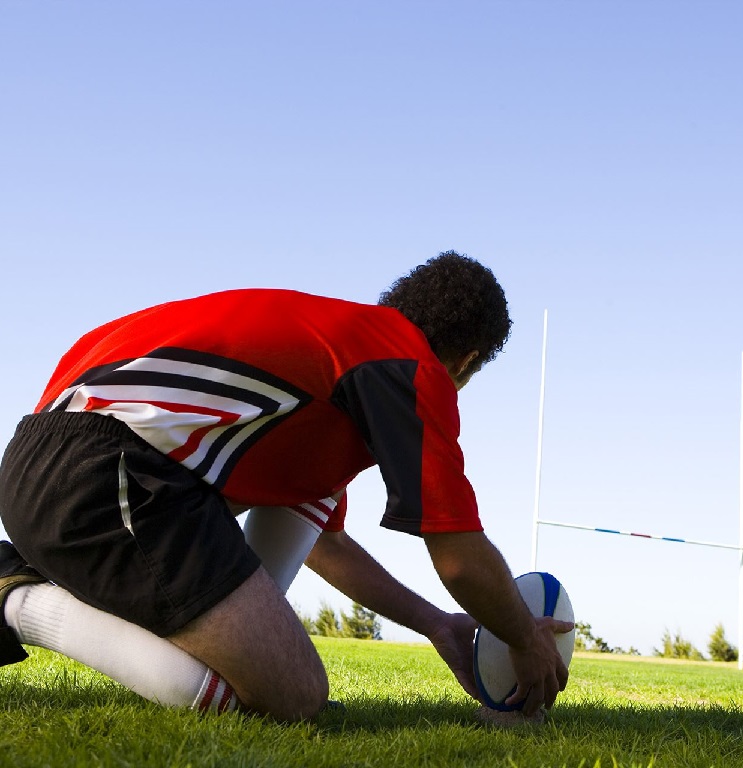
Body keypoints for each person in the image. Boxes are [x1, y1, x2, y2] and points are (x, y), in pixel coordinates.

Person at [0, 250, 571, 721]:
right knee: (291, 697)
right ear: (467, 359)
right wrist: (522, 638)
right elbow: (460, 556)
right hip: (101, 467)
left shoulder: (334, 356)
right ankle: (14, 594)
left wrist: (439, 625)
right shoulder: (406, 362)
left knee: (310, 507)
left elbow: (328, 544)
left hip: (75, 458)